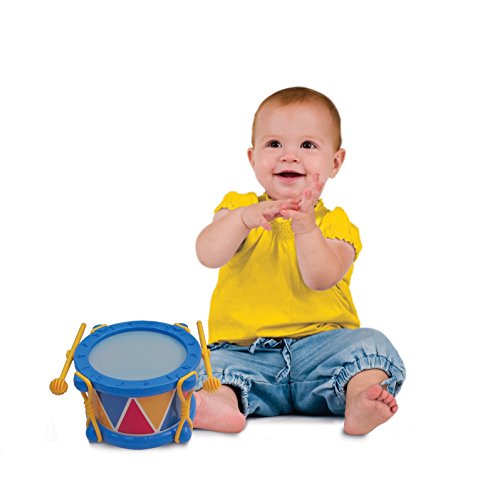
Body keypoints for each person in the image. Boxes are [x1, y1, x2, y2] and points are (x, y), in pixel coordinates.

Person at [193, 87, 406, 435]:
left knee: (372, 345)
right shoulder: (238, 209)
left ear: (335, 162)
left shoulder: (335, 225)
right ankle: (223, 405)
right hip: (244, 355)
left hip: (321, 354)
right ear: (252, 158)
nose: (289, 156)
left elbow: (321, 277)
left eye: (307, 145)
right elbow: (207, 254)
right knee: (203, 364)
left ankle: (358, 399)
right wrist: (243, 219)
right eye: (274, 144)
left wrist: (306, 228)